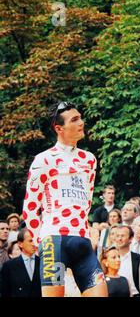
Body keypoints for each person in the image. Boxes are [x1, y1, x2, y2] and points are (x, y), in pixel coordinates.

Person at [22, 101, 107, 297]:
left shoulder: (89, 159)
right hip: (55, 241)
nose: (81, 123)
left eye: (80, 118)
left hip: (82, 242)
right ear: (59, 128)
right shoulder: (44, 159)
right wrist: (38, 240)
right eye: (75, 120)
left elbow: (87, 200)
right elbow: (31, 206)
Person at [0, 229, 41, 297]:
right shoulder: (9, 266)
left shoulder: (43, 263)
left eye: (35, 240)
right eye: (30, 241)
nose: (34, 244)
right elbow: (5, 292)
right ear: (20, 244)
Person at [114, 225, 140, 296]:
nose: (119, 238)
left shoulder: (139, 259)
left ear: (131, 239)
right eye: (117, 236)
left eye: (122, 236)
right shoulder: (109, 258)